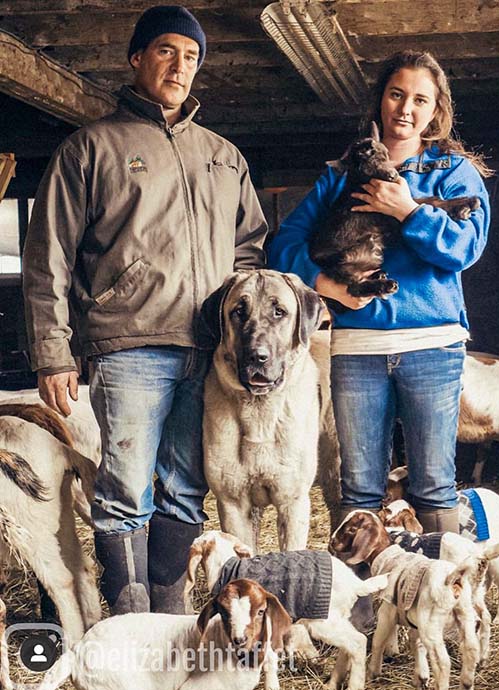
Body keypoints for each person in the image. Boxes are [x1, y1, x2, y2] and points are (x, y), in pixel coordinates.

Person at [23, 5, 267, 615]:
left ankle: (170, 613)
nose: (179, 65)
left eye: (191, 56)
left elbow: (249, 251)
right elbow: (47, 256)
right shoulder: (91, 148)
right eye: (166, 50)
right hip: (128, 344)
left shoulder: (223, 157)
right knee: (126, 488)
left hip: (209, 352)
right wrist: (53, 352)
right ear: (137, 58)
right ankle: (129, 620)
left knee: (186, 489)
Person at [268, 50, 491, 533]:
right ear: (381, 101)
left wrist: (408, 211)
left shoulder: (454, 174)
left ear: (435, 111)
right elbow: (283, 243)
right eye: (396, 94)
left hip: (432, 345)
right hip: (359, 347)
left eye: (419, 99)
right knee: (360, 488)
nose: (405, 109)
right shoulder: (342, 173)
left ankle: (437, 600)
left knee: (433, 484)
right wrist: (327, 286)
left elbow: (464, 249)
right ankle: (363, 605)